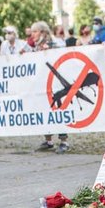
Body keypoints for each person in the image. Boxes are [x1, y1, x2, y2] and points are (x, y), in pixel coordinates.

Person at [27, 23, 71, 153]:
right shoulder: (35, 47)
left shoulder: (53, 44)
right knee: (43, 110)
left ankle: (64, 141)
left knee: (57, 110)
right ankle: (48, 140)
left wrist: (48, 51)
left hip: (54, 84)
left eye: (35, 32)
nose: (32, 35)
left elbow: (60, 57)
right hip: (41, 85)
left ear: (42, 32)